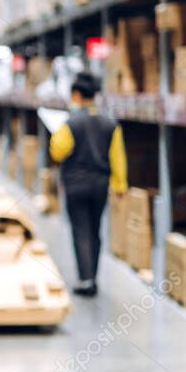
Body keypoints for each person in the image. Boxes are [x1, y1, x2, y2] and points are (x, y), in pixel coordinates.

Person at [49, 72, 127, 297]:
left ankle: (86, 280)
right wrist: (120, 185)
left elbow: (57, 150)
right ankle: (93, 274)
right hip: (100, 185)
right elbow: (118, 157)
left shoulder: (71, 123)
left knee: (80, 229)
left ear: (76, 94)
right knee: (95, 230)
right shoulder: (110, 123)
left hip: (75, 184)